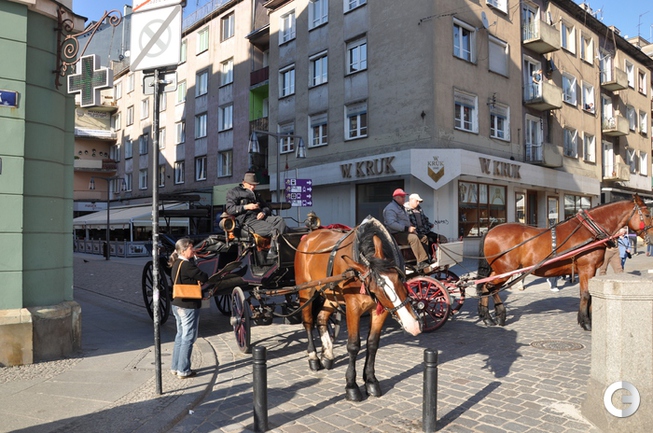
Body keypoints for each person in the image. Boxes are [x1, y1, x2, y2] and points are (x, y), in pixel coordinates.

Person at [168, 237, 209, 379]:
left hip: (177, 304)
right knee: (188, 337)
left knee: (180, 336)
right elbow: (204, 276)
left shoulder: (176, 263)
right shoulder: (187, 265)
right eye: (191, 248)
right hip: (188, 306)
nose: (193, 250)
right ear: (184, 250)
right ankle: (183, 370)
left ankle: (175, 367)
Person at [226, 172, 287, 258]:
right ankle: (273, 251)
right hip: (247, 221)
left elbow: (267, 207)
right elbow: (230, 209)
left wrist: (263, 212)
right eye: (250, 184)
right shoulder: (234, 192)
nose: (252, 187)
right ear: (244, 183)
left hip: (260, 217)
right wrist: (246, 207)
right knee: (274, 229)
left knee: (280, 220)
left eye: (254, 185)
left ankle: (278, 247)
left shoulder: (257, 194)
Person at [383, 188, 430, 269]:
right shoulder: (390, 208)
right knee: (413, 238)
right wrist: (407, 229)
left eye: (404, 197)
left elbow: (405, 220)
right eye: (402, 197)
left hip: (404, 232)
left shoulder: (401, 207)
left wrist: (411, 228)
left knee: (423, 237)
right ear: (396, 198)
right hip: (396, 234)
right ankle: (421, 262)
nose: (404, 199)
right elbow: (391, 224)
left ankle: (424, 260)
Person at [405, 193, 445, 260]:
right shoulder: (405, 210)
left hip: (425, 230)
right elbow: (406, 223)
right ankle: (429, 259)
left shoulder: (419, 209)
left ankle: (440, 257)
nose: (418, 203)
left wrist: (430, 224)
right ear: (411, 200)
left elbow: (425, 219)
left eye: (419, 201)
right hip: (416, 233)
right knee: (428, 239)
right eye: (417, 201)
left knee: (441, 238)